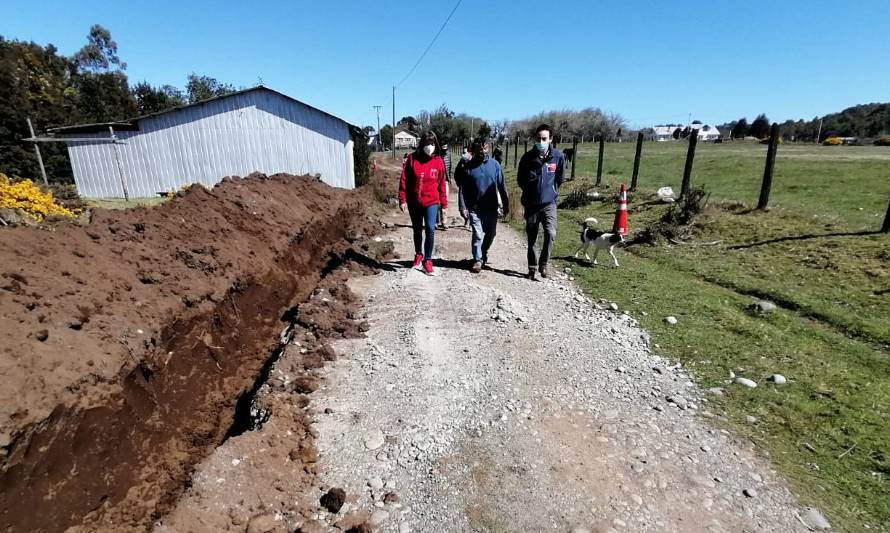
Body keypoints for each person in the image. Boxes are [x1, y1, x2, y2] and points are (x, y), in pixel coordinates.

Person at [517, 123, 565, 280]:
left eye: (544, 138)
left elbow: (560, 178)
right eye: (538, 138)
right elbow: (520, 180)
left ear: (551, 139)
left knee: (551, 233)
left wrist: (551, 192)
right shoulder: (527, 158)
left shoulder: (558, 157)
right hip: (531, 205)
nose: (541, 141)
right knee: (532, 238)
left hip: (549, 204)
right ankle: (532, 267)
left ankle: (544, 264)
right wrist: (531, 190)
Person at [398, 132, 448, 275]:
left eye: (432, 144)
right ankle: (418, 254)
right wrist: (402, 199)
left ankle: (428, 259)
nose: (429, 147)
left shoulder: (438, 161)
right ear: (422, 145)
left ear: (436, 145)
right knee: (417, 229)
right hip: (414, 202)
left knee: (431, 229)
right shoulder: (412, 159)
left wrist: (444, 205)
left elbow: (442, 185)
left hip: (432, 201)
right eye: (426, 144)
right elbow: (404, 180)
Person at [457, 139, 509, 273]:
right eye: (479, 149)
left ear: (488, 148)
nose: (482, 151)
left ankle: (483, 252)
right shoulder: (468, 167)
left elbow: (502, 186)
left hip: (491, 207)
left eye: (484, 148)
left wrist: (506, 204)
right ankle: (478, 260)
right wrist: (463, 207)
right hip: (474, 208)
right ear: (474, 150)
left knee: (491, 234)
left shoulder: (495, 165)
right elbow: (463, 188)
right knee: (477, 234)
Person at [454, 146, 472, 227]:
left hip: (472, 188)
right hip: (462, 186)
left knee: (471, 207)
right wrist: (458, 181)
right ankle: (466, 219)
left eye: (465, 152)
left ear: (470, 153)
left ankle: (471, 222)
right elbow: (456, 173)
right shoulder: (461, 162)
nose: (463, 154)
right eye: (463, 152)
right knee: (462, 208)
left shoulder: (474, 162)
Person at [437, 143, 453, 231]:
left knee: (444, 201)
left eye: (446, 149)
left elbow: (450, 167)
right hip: (436, 181)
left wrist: (449, 179)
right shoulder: (437, 155)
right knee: (436, 201)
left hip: (445, 180)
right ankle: (435, 221)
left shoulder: (449, 155)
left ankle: (444, 221)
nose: (445, 151)